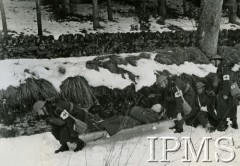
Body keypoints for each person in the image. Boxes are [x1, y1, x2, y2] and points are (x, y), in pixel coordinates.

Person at [210, 55, 238, 131]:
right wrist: (215, 92)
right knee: (225, 108)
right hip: (224, 90)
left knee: (223, 108)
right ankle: (230, 125)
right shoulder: (220, 68)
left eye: (213, 61)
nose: (212, 63)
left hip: (226, 90)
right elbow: (220, 82)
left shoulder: (224, 68)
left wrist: (225, 93)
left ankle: (224, 126)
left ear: (217, 60)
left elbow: (226, 81)